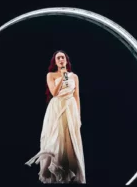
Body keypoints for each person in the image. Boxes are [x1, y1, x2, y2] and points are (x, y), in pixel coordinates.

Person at [25, 50, 86, 183]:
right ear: (55, 61)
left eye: (62, 57)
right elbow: (54, 92)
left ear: (66, 60)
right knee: (57, 138)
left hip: (70, 108)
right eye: (58, 58)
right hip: (57, 107)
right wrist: (63, 76)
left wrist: (78, 117)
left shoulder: (74, 77)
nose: (60, 60)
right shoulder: (51, 75)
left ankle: (71, 173)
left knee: (70, 140)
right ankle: (56, 174)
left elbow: (77, 97)